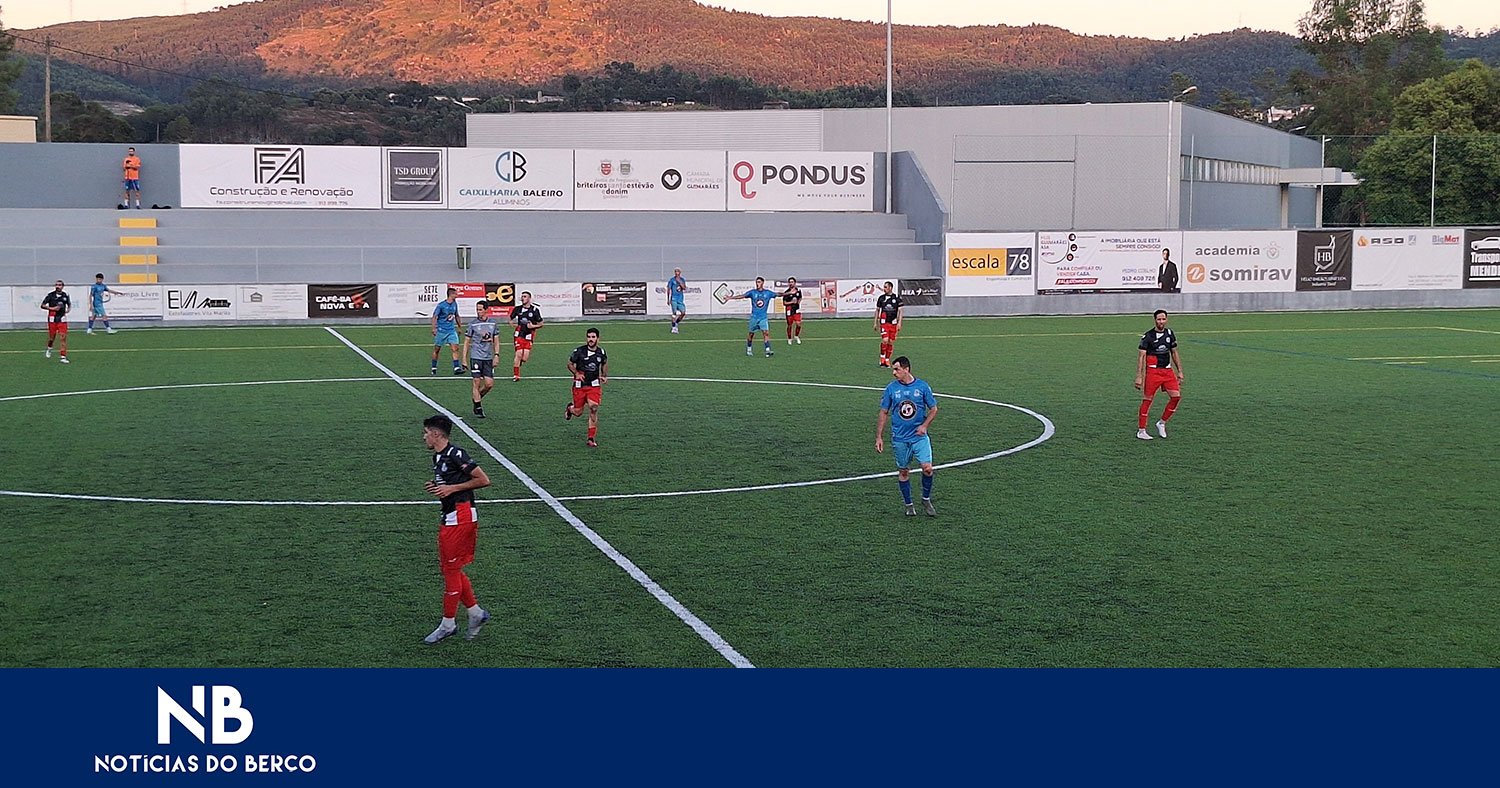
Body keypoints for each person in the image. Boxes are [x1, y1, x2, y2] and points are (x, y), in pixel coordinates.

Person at [420, 414, 492, 643]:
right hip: (450, 515)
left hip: (460, 516)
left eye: (426, 433)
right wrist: (439, 487)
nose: (424, 437)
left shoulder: (455, 454)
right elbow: (448, 484)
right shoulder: (438, 458)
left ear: (436, 434)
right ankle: (475, 612)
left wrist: (451, 489)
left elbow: (483, 479)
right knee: (452, 568)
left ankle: (448, 623)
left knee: (451, 570)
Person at [875, 356, 937, 516]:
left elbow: (933, 408)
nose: (894, 373)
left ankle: (925, 499)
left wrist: (924, 426)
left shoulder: (922, 387)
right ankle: (909, 505)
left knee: (928, 469)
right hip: (900, 438)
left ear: (906, 369)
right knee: (903, 472)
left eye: (896, 369)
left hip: (919, 437)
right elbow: (884, 412)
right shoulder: (891, 389)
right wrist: (879, 437)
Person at [1134, 309, 1184, 440]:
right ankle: (1141, 430)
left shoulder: (1170, 333)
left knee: (1176, 397)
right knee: (1147, 400)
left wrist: (1180, 371)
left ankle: (1161, 423)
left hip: (1167, 371)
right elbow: (1141, 357)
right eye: (1159, 319)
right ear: (1155, 320)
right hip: (1153, 372)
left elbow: (1174, 352)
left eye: (1163, 319)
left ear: (1166, 320)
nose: (1161, 321)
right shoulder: (1148, 336)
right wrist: (1139, 376)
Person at [564, 327, 608, 448]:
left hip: (594, 385)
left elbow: (604, 363)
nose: (591, 339)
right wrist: (577, 374)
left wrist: (604, 375)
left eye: (593, 337)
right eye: (589, 337)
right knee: (578, 412)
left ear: (598, 339)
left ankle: (591, 438)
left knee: (594, 407)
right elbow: (569, 363)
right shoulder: (579, 351)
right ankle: (570, 409)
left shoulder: (601, 352)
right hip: (580, 385)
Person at [463, 302, 501, 419]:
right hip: (476, 356)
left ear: (486, 310)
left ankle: (476, 398)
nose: (478, 312)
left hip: (488, 357)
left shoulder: (493, 323)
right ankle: (478, 408)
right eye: (477, 309)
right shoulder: (472, 324)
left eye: (480, 309)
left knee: (489, 384)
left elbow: (496, 341)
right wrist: (464, 359)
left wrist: (496, 355)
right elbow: (466, 342)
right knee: (476, 382)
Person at [726, 276, 777, 357]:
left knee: (766, 333)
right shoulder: (752, 292)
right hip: (754, 317)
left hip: (763, 317)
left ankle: (767, 350)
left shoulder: (768, 293)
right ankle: (749, 348)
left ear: (763, 283)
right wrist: (730, 298)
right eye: (756, 282)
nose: (757, 284)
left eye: (759, 282)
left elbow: (778, 294)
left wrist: (788, 293)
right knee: (751, 334)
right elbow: (742, 296)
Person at [507, 290, 544, 381]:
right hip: (519, 333)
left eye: (525, 296)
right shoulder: (517, 309)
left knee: (525, 357)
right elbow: (510, 319)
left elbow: (541, 324)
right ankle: (516, 375)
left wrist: (533, 326)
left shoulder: (535, 310)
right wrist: (514, 325)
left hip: (529, 334)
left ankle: (518, 364)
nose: (522, 298)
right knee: (519, 354)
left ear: (529, 298)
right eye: (522, 296)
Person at [430, 287, 464, 376]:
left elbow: (457, 315)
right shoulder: (441, 305)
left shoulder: (455, 304)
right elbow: (434, 316)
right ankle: (433, 367)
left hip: (451, 330)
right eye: (455, 294)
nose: (457, 296)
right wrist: (434, 328)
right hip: (441, 331)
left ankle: (456, 368)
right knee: (437, 350)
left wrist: (460, 327)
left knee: (455, 348)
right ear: (451, 294)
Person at [40, 280, 72, 364]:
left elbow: (69, 304)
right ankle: (49, 348)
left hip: (62, 319)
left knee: (63, 337)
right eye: (56, 285)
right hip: (52, 319)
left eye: (60, 285)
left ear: (63, 286)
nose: (58, 286)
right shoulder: (50, 295)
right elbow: (42, 305)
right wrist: (52, 309)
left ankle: (63, 356)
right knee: (52, 337)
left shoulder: (65, 295)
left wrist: (68, 310)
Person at [874, 280, 904, 367]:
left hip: (893, 323)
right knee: (885, 340)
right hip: (884, 322)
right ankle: (882, 357)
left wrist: (899, 323)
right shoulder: (881, 298)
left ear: (890, 288)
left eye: (885, 287)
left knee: (890, 342)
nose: (884, 289)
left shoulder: (897, 298)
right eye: (884, 287)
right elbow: (877, 310)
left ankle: (887, 359)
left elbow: (901, 311)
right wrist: (875, 322)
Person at [781, 277, 804, 345]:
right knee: (789, 325)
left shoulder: (798, 291)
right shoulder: (786, 292)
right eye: (790, 282)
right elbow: (784, 303)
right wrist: (791, 302)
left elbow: (800, 298)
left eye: (792, 282)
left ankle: (796, 336)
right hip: (789, 310)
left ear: (795, 283)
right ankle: (789, 338)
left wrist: (798, 302)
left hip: (796, 310)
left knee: (798, 324)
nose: (791, 283)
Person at [667, 268, 688, 334]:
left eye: (678, 271)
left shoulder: (682, 280)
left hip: (680, 299)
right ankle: (674, 328)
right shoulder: (672, 280)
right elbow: (669, 289)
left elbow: (684, 288)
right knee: (674, 313)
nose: (676, 272)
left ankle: (676, 323)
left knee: (683, 312)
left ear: (680, 272)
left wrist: (679, 282)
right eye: (675, 271)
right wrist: (668, 299)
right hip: (674, 299)